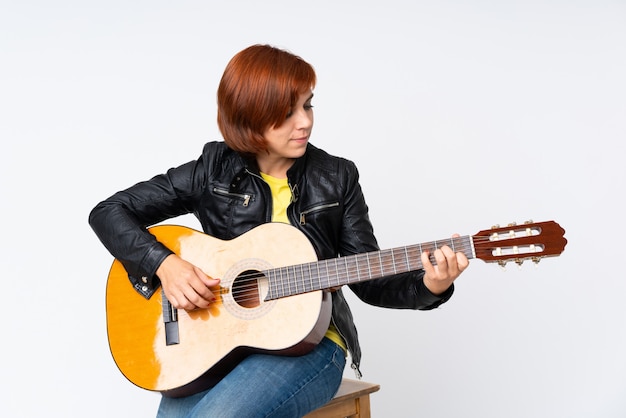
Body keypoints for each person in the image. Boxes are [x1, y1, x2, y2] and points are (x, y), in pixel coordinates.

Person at [89, 44, 469, 418]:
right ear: (248, 119)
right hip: (218, 341)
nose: (304, 122)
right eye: (286, 114)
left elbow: (368, 280)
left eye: (307, 105)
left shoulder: (336, 177)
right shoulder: (212, 169)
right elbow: (108, 212)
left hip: (311, 345)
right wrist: (164, 264)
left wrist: (430, 286)